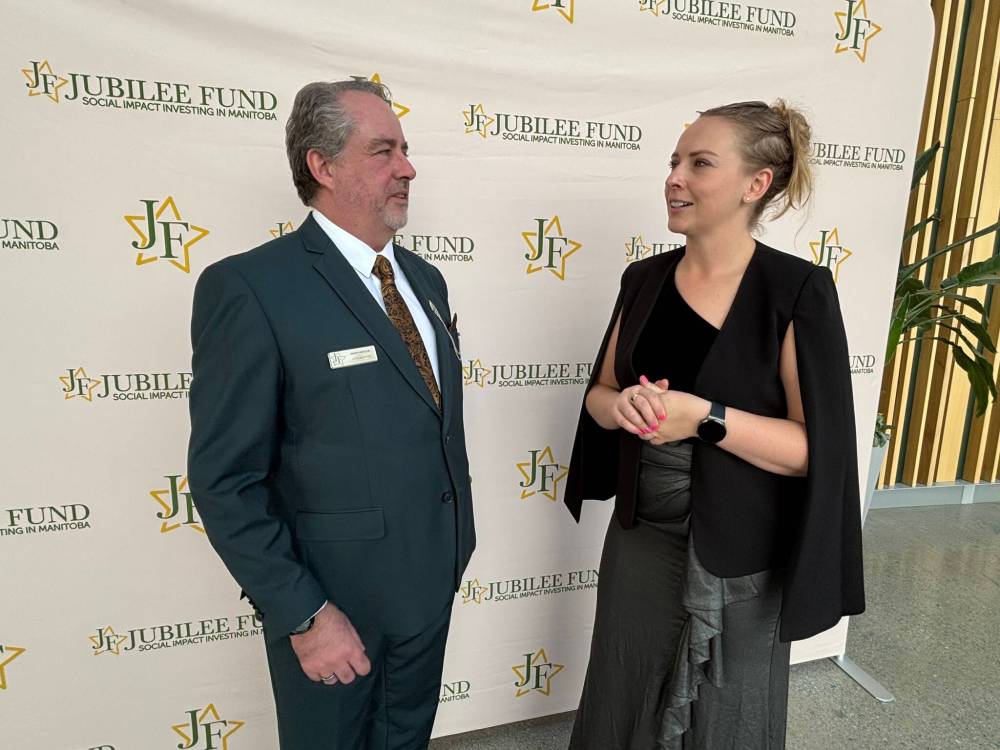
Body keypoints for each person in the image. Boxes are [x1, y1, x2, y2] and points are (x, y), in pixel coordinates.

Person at [563, 100, 865, 749]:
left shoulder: (796, 290)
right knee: (623, 693)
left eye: (700, 163)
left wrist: (702, 417)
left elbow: (814, 449)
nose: (675, 177)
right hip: (641, 542)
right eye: (674, 161)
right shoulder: (642, 280)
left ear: (756, 185)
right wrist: (622, 409)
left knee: (726, 719)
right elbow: (600, 394)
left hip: (740, 553)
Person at [187, 79, 474, 749]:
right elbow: (225, 479)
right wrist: (305, 615)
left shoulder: (426, 282)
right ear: (322, 166)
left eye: (404, 149)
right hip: (332, 609)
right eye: (382, 151)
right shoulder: (252, 287)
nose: (407, 167)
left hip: (429, 590)